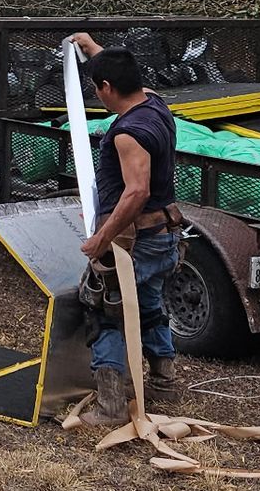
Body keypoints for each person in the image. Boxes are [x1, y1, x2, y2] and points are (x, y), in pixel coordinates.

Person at [69, 32, 183, 426]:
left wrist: (101, 238)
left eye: (97, 87)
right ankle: (164, 381)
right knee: (148, 303)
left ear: (107, 87)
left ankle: (111, 406)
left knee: (105, 309)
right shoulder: (154, 103)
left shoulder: (128, 133)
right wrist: (93, 48)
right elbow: (123, 73)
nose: (96, 94)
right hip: (165, 232)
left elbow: (137, 192)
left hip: (138, 240)